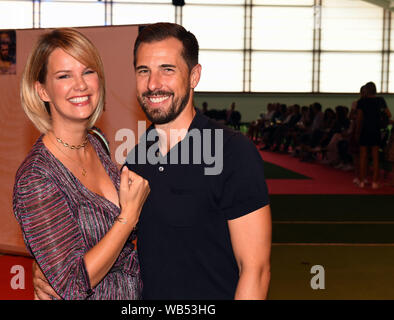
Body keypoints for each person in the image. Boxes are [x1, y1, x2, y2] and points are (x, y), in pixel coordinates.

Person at [34, 23, 271, 300]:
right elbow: (105, 237)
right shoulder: (134, 161)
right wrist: (50, 265)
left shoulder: (232, 152)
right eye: (143, 71)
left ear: (194, 76)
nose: (153, 84)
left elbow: (255, 270)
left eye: (167, 70)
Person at [13, 28, 150, 300]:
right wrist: (128, 217)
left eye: (88, 71)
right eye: (64, 76)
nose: (81, 85)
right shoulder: (36, 178)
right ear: (42, 90)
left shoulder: (96, 141)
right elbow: (72, 284)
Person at [356, 81, 392, 189]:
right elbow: (389, 114)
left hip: (365, 130)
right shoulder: (380, 100)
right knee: (375, 157)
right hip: (376, 130)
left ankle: (362, 181)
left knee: (363, 156)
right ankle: (375, 182)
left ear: (366, 90)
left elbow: (359, 118)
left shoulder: (362, 101)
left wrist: (357, 132)